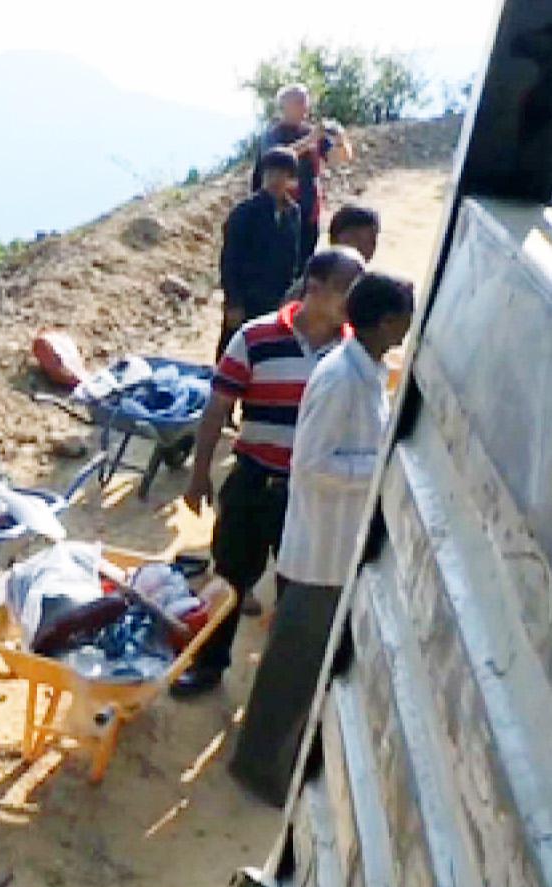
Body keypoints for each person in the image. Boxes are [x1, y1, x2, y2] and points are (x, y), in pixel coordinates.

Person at [229, 272, 413, 805]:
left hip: (340, 547)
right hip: (319, 553)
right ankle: (259, 772)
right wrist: (381, 465)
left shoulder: (368, 370)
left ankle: (278, 765)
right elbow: (310, 464)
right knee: (292, 670)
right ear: (383, 321)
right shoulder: (339, 378)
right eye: (403, 318)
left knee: (310, 667)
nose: (407, 328)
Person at [174, 247, 366, 697]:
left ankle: (279, 693)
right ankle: (208, 665)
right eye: (346, 292)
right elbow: (217, 407)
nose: (354, 303)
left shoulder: (354, 351)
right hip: (255, 483)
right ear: (315, 289)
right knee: (230, 579)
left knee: (299, 591)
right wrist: (200, 473)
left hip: (311, 496)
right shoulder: (256, 337)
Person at [250, 84, 354, 265]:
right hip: (278, 212)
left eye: (306, 102)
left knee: (304, 263)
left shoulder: (310, 132)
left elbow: (338, 159)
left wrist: (340, 141)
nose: (305, 107)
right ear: (284, 107)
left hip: (309, 211)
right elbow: (276, 157)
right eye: (299, 102)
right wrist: (310, 140)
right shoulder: (273, 134)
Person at [219, 147, 303, 356]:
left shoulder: (293, 213)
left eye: (282, 174)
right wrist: (234, 302)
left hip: (276, 299)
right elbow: (229, 260)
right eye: (270, 173)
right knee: (234, 351)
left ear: (290, 178)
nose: (275, 179)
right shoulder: (244, 212)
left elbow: (294, 257)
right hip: (247, 299)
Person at [282, 204, 381, 304]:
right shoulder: (310, 286)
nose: (363, 246)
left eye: (370, 241)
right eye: (355, 238)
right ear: (334, 238)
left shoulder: (370, 292)